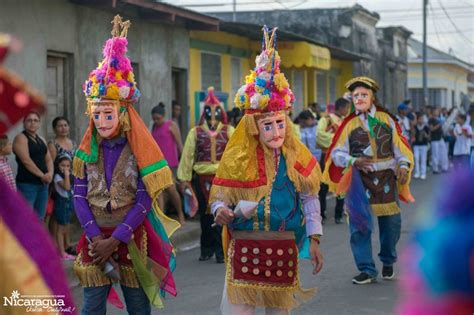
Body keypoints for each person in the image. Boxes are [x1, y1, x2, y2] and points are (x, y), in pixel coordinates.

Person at [211, 26, 324, 314]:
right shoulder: (238, 155)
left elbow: (310, 198)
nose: (275, 131)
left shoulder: (297, 155)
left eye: (280, 123)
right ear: (254, 126)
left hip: (283, 246)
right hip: (245, 245)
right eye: (267, 124)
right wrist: (219, 210)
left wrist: (314, 239)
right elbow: (220, 197)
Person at [72, 15, 178, 314]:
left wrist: (117, 238)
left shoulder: (138, 149)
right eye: (97, 114)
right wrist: (97, 238)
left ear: (123, 113)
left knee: (137, 307)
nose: (102, 121)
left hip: (132, 237)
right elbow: (78, 196)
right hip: (94, 239)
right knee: (91, 307)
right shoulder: (86, 151)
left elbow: (145, 198)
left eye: (108, 114)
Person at [323, 76, 414, 285]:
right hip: (358, 179)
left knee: (391, 225)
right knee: (359, 224)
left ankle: (388, 260)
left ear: (373, 97)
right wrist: (353, 160)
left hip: (386, 177)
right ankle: (366, 269)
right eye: (356, 96)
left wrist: (403, 166)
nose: (360, 98)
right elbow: (336, 153)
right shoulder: (348, 124)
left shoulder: (387, 120)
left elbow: (402, 150)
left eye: (364, 94)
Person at [178, 86, 234, 263]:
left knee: (222, 213)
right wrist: (184, 179)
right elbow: (188, 156)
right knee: (205, 214)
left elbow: (235, 155)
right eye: (208, 111)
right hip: (201, 179)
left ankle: (221, 250)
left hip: (222, 179)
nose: (212, 115)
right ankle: (206, 249)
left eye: (215, 111)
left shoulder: (229, 131)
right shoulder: (195, 132)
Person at [13, 111, 53, 220]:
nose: (32, 123)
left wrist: (50, 174)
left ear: (39, 123)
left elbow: (49, 160)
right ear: (24, 123)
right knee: (25, 218)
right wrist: (42, 175)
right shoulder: (21, 138)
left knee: (39, 218)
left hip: (43, 185)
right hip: (27, 184)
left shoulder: (42, 140)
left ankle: (35, 238)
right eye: (29, 120)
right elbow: (26, 161)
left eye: (35, 120)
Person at [317, 97, 350, 224]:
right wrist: (337, 139)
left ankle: (338, 214)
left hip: (341, 158)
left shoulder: (345, 121)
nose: (347, 110)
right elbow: (319, 135)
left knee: (341, 185)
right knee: (323, 186)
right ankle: (322, 214)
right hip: (327, 157)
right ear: (341, 108)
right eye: (346, 108)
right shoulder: (326, 119)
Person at [151, 102, 185, 224]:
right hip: (157, 164)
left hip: (170, 163)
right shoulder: (154, 127)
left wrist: (183, 162)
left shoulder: (171, 125)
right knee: (159, 191)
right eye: (154, 119)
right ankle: (162, 219)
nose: (156, 121)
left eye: (158, 118)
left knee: (171, 189)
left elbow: (179, 144)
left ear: (163, 116)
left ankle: (181, 214)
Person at [47, 116, 77, 256]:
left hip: (71, 182)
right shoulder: (53, 144)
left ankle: (67, 243)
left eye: (65, 125)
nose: (63, 128)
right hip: (58, 183)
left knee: (66, 215)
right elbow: (51, 164)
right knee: (56, 215)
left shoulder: (73, 143)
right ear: (54, 129)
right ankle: (54, 244)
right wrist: (53, 185)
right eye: (60, 125)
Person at [52, 154, 75, 260]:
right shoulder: (57, 176)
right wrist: (66, 175)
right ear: (58, 165)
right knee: (61, 229)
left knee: (66, 226)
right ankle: (62, 253)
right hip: (61, 204)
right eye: (63, 165)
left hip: (68, 203)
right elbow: (66, 187)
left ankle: (65, 247)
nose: (65, 168)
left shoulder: (70, 176)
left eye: (67, 166)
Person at [429, 107, 449, 173]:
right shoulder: (431, 119)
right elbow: (431, 129)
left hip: (440, 138)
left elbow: (443, 128)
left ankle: (444, 167)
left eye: (437, 111)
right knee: (435, 154)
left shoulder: (440, 118)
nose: (437, 112)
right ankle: (435, 169)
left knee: (444, 152)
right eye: (436, 111)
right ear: (433, 112)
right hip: (434, 139)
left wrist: (444, 125)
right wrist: (439, 124)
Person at [412, 113, 430, 180]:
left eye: (422, 119)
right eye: (420, 119)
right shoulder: (415, 126)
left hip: (423, 145)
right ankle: (417, 172)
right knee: (416, 158)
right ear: (417, 119)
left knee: (423, 159)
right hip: (416, 145)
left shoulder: (426, 127)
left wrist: (426, 135)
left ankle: (423, 173)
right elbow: (413, 134)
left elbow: (428, 136)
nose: (421, 120)